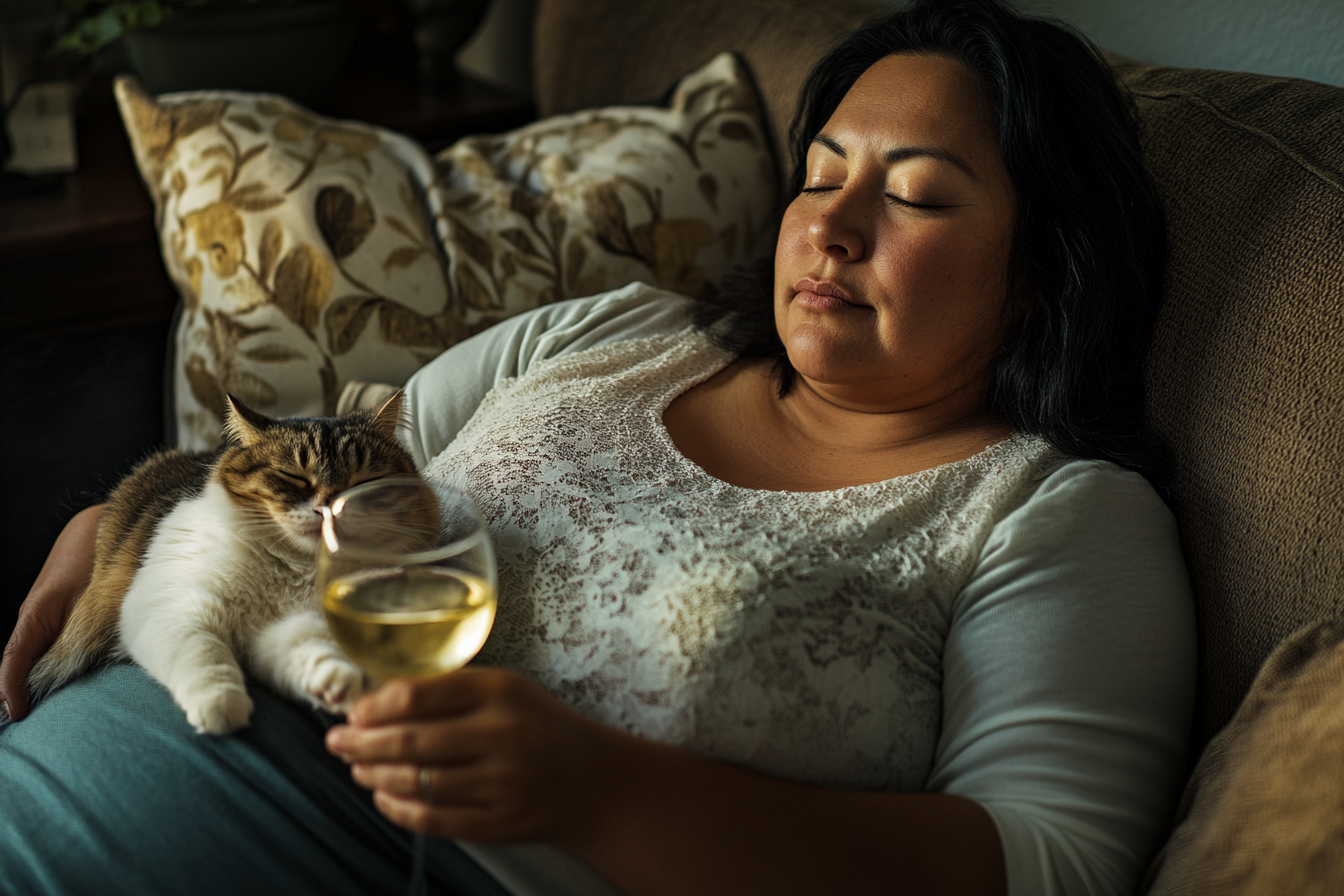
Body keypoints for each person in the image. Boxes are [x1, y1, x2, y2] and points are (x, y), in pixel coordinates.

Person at [0, 2, 1196, 895]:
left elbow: (1055, 862)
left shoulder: (1058, 513)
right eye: (821, 173)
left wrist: (603, 789)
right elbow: (331, 461)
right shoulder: (619, 331)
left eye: (920, 196)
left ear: (1042, 278)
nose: (830, 222)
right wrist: (127, 518)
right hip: (145, 720)